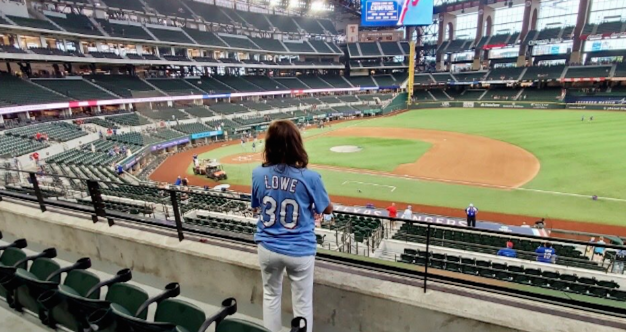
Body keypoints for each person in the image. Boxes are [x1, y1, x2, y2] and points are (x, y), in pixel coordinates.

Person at [251, 120, 332, 332]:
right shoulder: (311, 177)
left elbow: (256, 205)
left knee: (270, 296)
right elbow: (327, 209)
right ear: (296, 144)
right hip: (299, 249)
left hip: (267, 246)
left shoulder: (258, 173)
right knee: (302, 304)